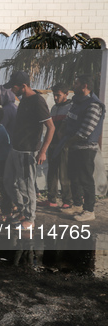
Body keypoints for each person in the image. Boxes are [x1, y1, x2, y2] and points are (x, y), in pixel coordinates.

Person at [3, 71, 54, 230]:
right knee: (8, 181)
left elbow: (51, 127)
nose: (12, 90)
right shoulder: (24, 100)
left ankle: (30, 219)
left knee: (26, 185)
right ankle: (23, 211)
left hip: (28, 151)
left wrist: (43, 151)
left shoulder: (37, 101)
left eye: (14, 87)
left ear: (23, 86)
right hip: (16, 149)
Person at [61, 75, 105, 221]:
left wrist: (69, 141)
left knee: (86, 178)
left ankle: (89, 210)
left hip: (86, 148)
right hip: (74, 146)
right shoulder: (77, 102)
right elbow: (69, 119)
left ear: (84, 86)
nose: (74, 85)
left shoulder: (93, 104)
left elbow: (86, 130)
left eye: (76, 83)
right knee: (74, 176)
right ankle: (77, 205)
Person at [39, 84, 72, 209]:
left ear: (66, 94)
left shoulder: (70, 107)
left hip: (63, 145)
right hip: (52, 144)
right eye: (54, 95)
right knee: (52, 172)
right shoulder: (53, 108)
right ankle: (51, 199)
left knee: (64, 173)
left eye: (58, 95)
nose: (56, 97)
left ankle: (67, 200)